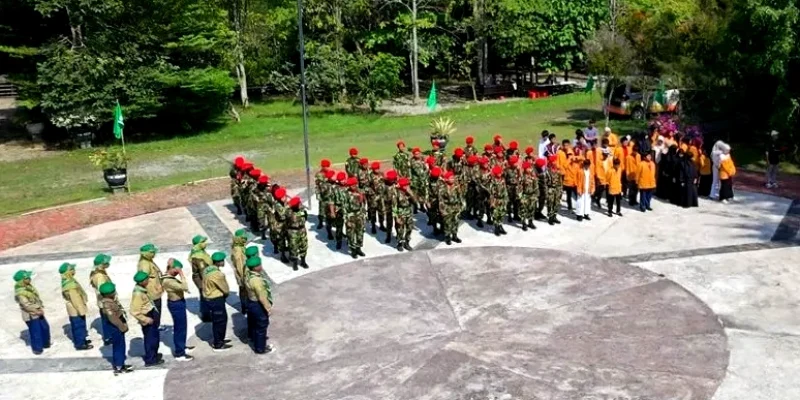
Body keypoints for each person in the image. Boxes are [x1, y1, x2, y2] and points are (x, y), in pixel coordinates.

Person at [161, 259, 194, 361]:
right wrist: (181, 274)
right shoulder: (168, 280)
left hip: (179, 302)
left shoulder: (169, 276)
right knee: (179, 328)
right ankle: (180, 353)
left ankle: (182, 346)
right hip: (176, 304)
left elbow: (170, 260)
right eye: (176, 271)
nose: (177, 273)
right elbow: (184, 287)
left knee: (182, 327)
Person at [98, 282, 133, 375]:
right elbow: (113, 319)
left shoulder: (109, 301)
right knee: (118, 346)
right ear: (109, 294)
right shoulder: (107, 305)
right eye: (113, 291)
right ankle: (119, 366)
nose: (115, 292)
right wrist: (122, 327)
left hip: (117, 327)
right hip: (116, 328)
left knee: (121, 345)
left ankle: (121, 363)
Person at [130, 271, 163, 367]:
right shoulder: (138, 293)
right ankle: (150, 359)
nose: (148, 280)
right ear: (141, 282)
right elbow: (134, 311)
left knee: (154, 336)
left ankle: (154, 354)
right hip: (147, 316)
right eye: (146, 279)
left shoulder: (142, 289)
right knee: (150, 338)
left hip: (151, 313)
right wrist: (145, 319)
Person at [14, 270, 51, 355]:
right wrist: (37, 311)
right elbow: (26, 305)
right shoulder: (20, 293)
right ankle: (37, 349)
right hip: (31, 315)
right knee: (36, 332)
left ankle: (45, 343)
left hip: (38, 311)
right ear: (22, 280)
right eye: (27, 278)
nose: (29, 279)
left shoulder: (28, 287)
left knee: (45, 327)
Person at [59, 262, 93, 351]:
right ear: (68, 272)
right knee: (78, 326)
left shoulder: (68, 280)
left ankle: (82, 339)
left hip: (75, 307)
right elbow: (76, 299)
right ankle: (80, 344)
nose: (74, 270)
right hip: (75, 308)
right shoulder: (70, 285)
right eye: (72, 269)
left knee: (80, 325)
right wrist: (81, 310)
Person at [245, 257, 275, 354]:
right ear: (255, 268)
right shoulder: (256, 280)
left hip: (251, 302)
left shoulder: (248, 274)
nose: (261, 267)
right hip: (257, 304)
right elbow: (262, 296)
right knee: (261, 326)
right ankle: (260, 348)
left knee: (255, 324)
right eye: (259, 265)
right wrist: (268, 308)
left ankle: (255, 340)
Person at [205, 252, 232, 351]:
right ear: (219, 262)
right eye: (222, 260)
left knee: (218, 320)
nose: (224, 262)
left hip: (210, 298)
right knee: (220, 321)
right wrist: (226, 294)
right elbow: (224, 288)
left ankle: (219, 339)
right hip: (216, 299)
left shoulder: (207, 270)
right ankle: (218, 343)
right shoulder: (218, 274)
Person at [137, 243, 164, 328]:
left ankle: (156, 326)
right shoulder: (145, 264)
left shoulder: (148, 261)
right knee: (155, 311)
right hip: (152, 293)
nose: (154, 254)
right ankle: (155, 327)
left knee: (157, 311)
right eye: (152, 252)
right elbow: (144, 280)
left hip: (155, 291)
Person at [89, 253, 114, 345]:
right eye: (106, 262)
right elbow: (102, 290)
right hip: (105, 302)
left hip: (104, 302)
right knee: (108, 320)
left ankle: (109, 336)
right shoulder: (99, 276)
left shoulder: (100, 273)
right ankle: (108, 337)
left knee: (107, 319)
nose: (108, 264)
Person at [188, 238, 212, 322]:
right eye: (202, 242)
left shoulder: (200, 253)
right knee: (205, 297)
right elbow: (203, 271)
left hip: (200, 278)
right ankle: (206, 315)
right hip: (201, 280)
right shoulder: (198, 257)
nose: (205, 243)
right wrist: (209, 282)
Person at [391, 177, 417, 251]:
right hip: (400, 213)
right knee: (400, 230)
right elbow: (394, 206)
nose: (407, 186)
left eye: (407, 185)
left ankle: (407, 242)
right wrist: (396, 217)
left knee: (409, 228)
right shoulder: (396, 192)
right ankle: (400, 243)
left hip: (409, 212)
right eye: (405, 185)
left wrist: (411, 193)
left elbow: (415, 202)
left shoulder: (409, 191)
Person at [345, 177, 367, 258]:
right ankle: (353, 250)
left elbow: (363, 202)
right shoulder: (346, 194)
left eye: (355, 184)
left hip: (359, 215)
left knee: (360, 233)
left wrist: (361, 195)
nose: (354, 186)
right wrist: (346, 220)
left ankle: (359, 248)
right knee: (351, 234)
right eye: (351, 185)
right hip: (350, 216)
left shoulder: (360, 191)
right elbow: (344, 207)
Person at [286, 196, 309, 270]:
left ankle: (303, 261)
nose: (300, 204)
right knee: (293, 247)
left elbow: (305, 217)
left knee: (304, 245)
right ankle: (295, 263)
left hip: (302, 230)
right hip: (293, 231)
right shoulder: (289, 212)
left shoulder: (302, 210)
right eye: (299, 203)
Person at [439, 171, 462, 245]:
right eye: (451, 178)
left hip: (455, 207)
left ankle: (454, 236)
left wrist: (461, 206)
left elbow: (460, 196)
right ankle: (447, 237)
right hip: (447, 207)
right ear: (446, 179)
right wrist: (442, 210)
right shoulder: (443, 188)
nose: (452, 179)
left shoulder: (456, 186)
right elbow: (441, 200)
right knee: (447, 223)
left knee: (456, 222)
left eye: (453, 178)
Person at [230, 229, 249, 315]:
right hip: (242, 275)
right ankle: (245, 307)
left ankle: (245, 307)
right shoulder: (238, 250)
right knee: (244, 291)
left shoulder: (239, 246)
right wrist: (243, 277)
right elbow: (239, 265)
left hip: (243, 273)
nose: (245, 238)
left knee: (244, 291)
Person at [271, 187, 290, 263]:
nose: (285, 198)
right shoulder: (277, 204)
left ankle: (286, 249)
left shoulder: (283, 203)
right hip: (279, 225)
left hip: (285, 224)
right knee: (281, 240)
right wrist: (288, 206)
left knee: (288, 237)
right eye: (284, 196)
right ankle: (282, 255)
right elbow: (282, 215)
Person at [519, 160, 539, 231]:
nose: (530, 169)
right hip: (525, 195)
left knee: (531, 209)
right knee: (523, 210)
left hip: (532, 195)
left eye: (530, 168)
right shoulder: (522, 177)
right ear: (525, 169)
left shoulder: (533, 177)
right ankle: (524, 223)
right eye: (528, 168)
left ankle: (530, 222)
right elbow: (519, 187)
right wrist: (520, 196)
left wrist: (536, 195)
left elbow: (536, 186)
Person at [489, 166, 508, 236]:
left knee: (502, 213)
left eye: (500, 172)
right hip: (496, 200)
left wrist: (506, 199)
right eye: (498, 173)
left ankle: (500, 226)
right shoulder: (493, 181)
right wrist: (492, 202)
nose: (500, 174)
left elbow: (505, 191)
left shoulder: (503, 180)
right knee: (495, 214)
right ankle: (496, 227)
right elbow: (491, 193)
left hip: (502, 200)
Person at [380, 170, 397, 244]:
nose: (392, 181)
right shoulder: (384, 185)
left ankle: (398, 234)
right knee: (389, 222)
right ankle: (388, 236)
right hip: (388, 206)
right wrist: (383, 207)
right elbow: (381, 197)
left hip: (396, 206)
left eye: (393, 180)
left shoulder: (397, 184)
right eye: (390, 180)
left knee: (398, 222)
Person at [545, 155, 563, 225]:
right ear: (551, 162)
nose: (555, 162)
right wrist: (546, 191)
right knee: (550, 203)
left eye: (555, 161)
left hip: (557, 189)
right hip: (550, 189)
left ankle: (555, 216)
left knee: (556, 203)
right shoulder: (547, 171)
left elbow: (560, 181)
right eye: (554, 161)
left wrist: (561, 189)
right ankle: (550, 218)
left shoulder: (558, 170)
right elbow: (545, 183)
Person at [410, 148, 428, 214]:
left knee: (422, 194)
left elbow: (424, 167)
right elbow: (419, 172)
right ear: (413, 154)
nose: (417, 155)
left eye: (418, 153)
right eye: (416, 154)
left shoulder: (422, 159)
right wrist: (427, 170)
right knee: (415, 195)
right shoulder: (412, 161)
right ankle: (415, 207)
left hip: (422, 180)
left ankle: (422, 206)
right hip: (415, 181)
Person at [314, 159, 331, 229]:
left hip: (329, 193)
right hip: (322, 194)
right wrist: (318, 195)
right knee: (321, 209)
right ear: (322, 166)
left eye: (328, 166)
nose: (327, 168)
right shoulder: (319, 174)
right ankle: (320, 222)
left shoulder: (330, 172)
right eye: (326, 166)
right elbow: (317, 185)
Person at [504, 155, 521, 222]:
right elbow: (504, 179)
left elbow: (520, 177)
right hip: (509, 187)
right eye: (515, 163)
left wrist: (519, 171)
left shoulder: (517, 169)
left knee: (516, 202)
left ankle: (516, 215)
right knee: (509, 202)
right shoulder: (507, 170)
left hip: (516, 187)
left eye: (516, 162)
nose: (516, 164)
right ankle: (509, 216)